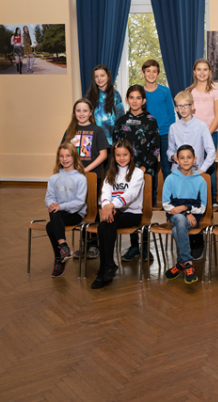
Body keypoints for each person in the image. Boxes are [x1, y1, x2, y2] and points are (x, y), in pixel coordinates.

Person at [167, 90, 216, 261]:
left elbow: (211, 151)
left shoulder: (201, 126)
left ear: (192, 106)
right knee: (179, 209)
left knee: (194, 209)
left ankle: (196, 240)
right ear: (176, 108)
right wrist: (174, 156)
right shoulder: (173, 128)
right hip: (178, 176)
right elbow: (169, 150)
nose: (183, 109)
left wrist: (202, 170)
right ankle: (186, 247)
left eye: (186, 105)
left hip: (195, 176)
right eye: (179, 106)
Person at [114, 85, 160, 262]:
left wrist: (142, 170)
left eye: (138, 98)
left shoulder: (151, 121)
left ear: (143, 100)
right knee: (128, 207)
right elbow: (116, 147)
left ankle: (146, 246)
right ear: (126, 100)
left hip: (145, 172)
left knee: (144, 207)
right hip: (125, 173)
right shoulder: (120, 122)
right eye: (131, 97)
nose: (134, 101)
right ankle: (134, 246)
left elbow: (155, 148)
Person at [92, 140, 145, 289]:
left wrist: (111, 205)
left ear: (131, 155)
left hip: (133, 213)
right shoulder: (111, 173)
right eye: (118, 155)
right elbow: (105, 193)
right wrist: (107, 205)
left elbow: (131, 194)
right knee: (104, 225)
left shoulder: (137, 173)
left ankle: (105, 267)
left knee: (105, 224)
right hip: (114, 212)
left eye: (125, 154)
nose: (121, 158)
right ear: (114, 157)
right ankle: (107, 265)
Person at [61, 99, 109, 259]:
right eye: (78, 110)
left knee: (92, 208)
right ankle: (84, 244)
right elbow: (63, 152)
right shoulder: (70, 131)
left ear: (90, 113)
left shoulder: (97, 130)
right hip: (73, 177)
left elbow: (103, 154)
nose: (81, 114)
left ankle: (94, 244)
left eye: (85, 110)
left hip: (91, 176)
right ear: (74, 113)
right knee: (79, 208)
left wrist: (85, 170)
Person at [162, 145, 208, 285]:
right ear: (177, 160)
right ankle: (188, 262)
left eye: (189, 157)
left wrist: (186, 208)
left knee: (177, 230)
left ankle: (181, 263)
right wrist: (186, 211)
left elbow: (202, 208)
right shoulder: (170, 179)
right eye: (182, 158)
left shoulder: (200, 181)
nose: (186, 160)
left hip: (194, 217)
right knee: (180, 220)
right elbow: (166, 205)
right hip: (175, 216)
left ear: (195, 159)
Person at [45, 144, 88, 277]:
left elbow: (80, 202)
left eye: (68, 156)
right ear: (58, 158)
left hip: (75, 213)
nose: (65, 159)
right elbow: (49, 197)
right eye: (61, 156)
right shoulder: (53, 178)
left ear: (74, 157)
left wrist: (60, 206)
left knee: (51, 225)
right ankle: (63, 248)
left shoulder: (81, 178)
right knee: (53, 215)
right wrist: (52, 204)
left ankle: (59, 257)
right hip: (59, 213)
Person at [187, 58, 218, 203]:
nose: (202, 72)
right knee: (193, 164)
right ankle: (194, 196)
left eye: (205, 69)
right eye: (199, 69)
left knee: (210, 164)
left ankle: (212, 197)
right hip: (193, 135)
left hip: (211, 133)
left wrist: (207, 134)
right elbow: (186, 115)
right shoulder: (189, 91)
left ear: (209, 72)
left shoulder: (215, 90)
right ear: (194, 72)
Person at [141, 59, 175, 183]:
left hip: (165, 133)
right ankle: (152, 195)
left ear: (158, 74)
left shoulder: (165, 91)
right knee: (151, 167)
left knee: (166, 166)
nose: (151, 74)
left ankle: (169, 194)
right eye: (148, 71)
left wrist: (172, 133)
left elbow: (171, 113)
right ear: (142, 73)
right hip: (148, 135)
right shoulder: (140, 92)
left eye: (154, 71)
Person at [85, 64, 125, 147]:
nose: (99, 79)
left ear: (108, 76)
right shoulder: (88, 96)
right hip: (92, 141)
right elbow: (84, 118)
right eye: (96, 76)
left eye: (102, 75)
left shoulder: (116, 95)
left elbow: (121, 119)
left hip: (111, 141)